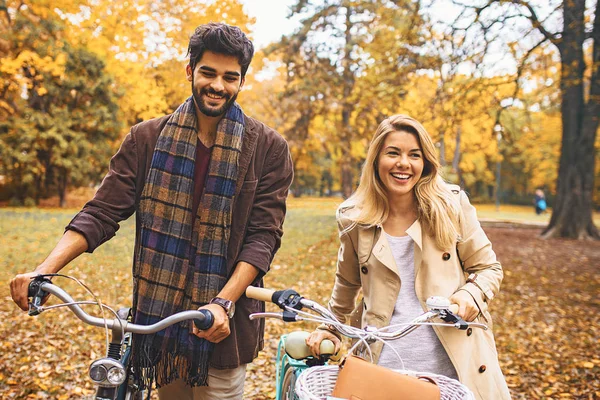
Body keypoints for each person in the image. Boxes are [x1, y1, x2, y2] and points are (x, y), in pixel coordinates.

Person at [9, 22, 293, 400]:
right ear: (190, 70)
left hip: (224, 326)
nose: (218, 86)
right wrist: (45, 270)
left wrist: (223, 302)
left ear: (241, 80)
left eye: (230, 77)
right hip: (158, 324)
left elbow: (263, 237)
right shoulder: (146, 139)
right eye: (208, 72)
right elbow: (101, 213)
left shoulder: (269, 148)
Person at [305, 115, 511, 399]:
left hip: (453, 367)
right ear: (377, 159)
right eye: (393, 153)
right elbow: (346, 284)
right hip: (383, 366)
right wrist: (330, 327)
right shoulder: (354, 218)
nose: (404, 163)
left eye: (414, 155)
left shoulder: (451, 205)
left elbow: (489, 267)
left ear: (424, 162)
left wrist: (471, 296)